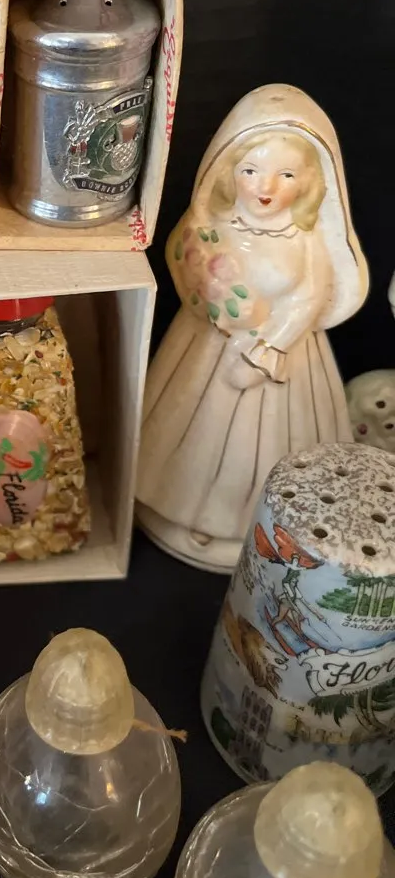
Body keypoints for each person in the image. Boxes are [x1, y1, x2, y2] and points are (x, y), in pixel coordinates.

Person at [136, 84, 368, 572]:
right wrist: (206, 290)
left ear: (309, 183)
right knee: (194, 436)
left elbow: (308, 297)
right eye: (251, 170)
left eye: (286, 174)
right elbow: (184, 262)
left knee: (268, 446)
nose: (266, 187)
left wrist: (271, 344)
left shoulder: (305, 241)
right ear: (228, 170)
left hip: (279, 358)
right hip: (207, 346)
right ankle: (187, 513)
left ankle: (259, 524)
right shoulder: (213, 225)